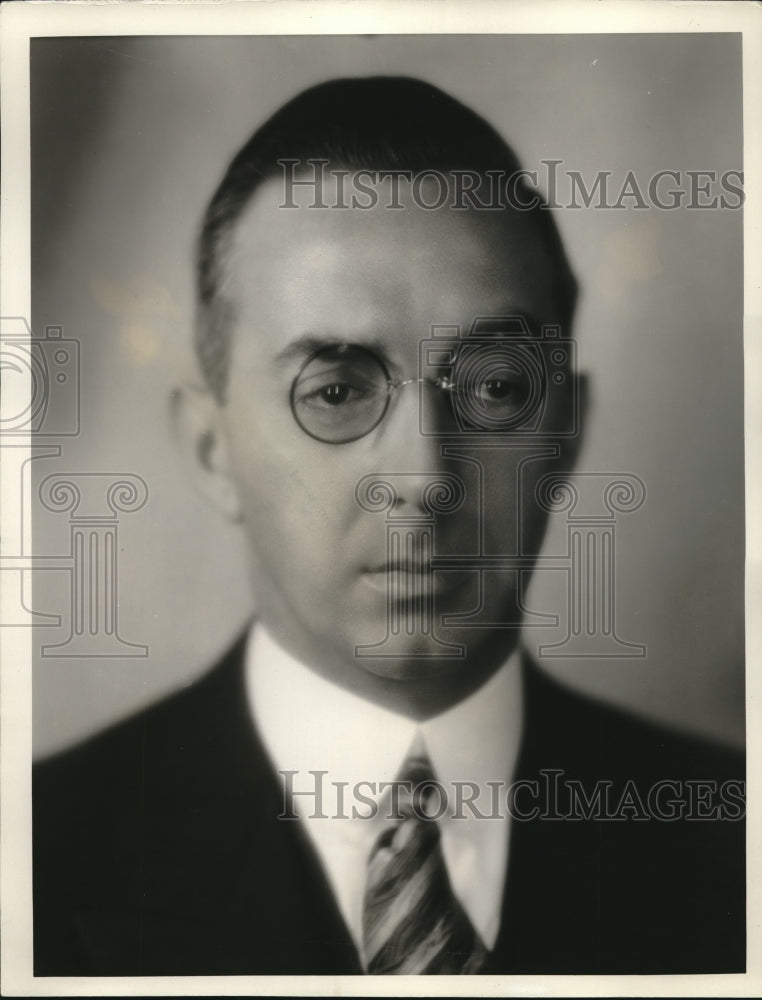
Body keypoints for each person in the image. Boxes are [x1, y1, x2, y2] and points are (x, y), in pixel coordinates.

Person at [33, 76, 744, 977]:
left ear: (568, 430)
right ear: (213, 449)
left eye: (493, 388)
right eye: (335, 391)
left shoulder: (733, 841)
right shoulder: (34, 862)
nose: (422, 479)